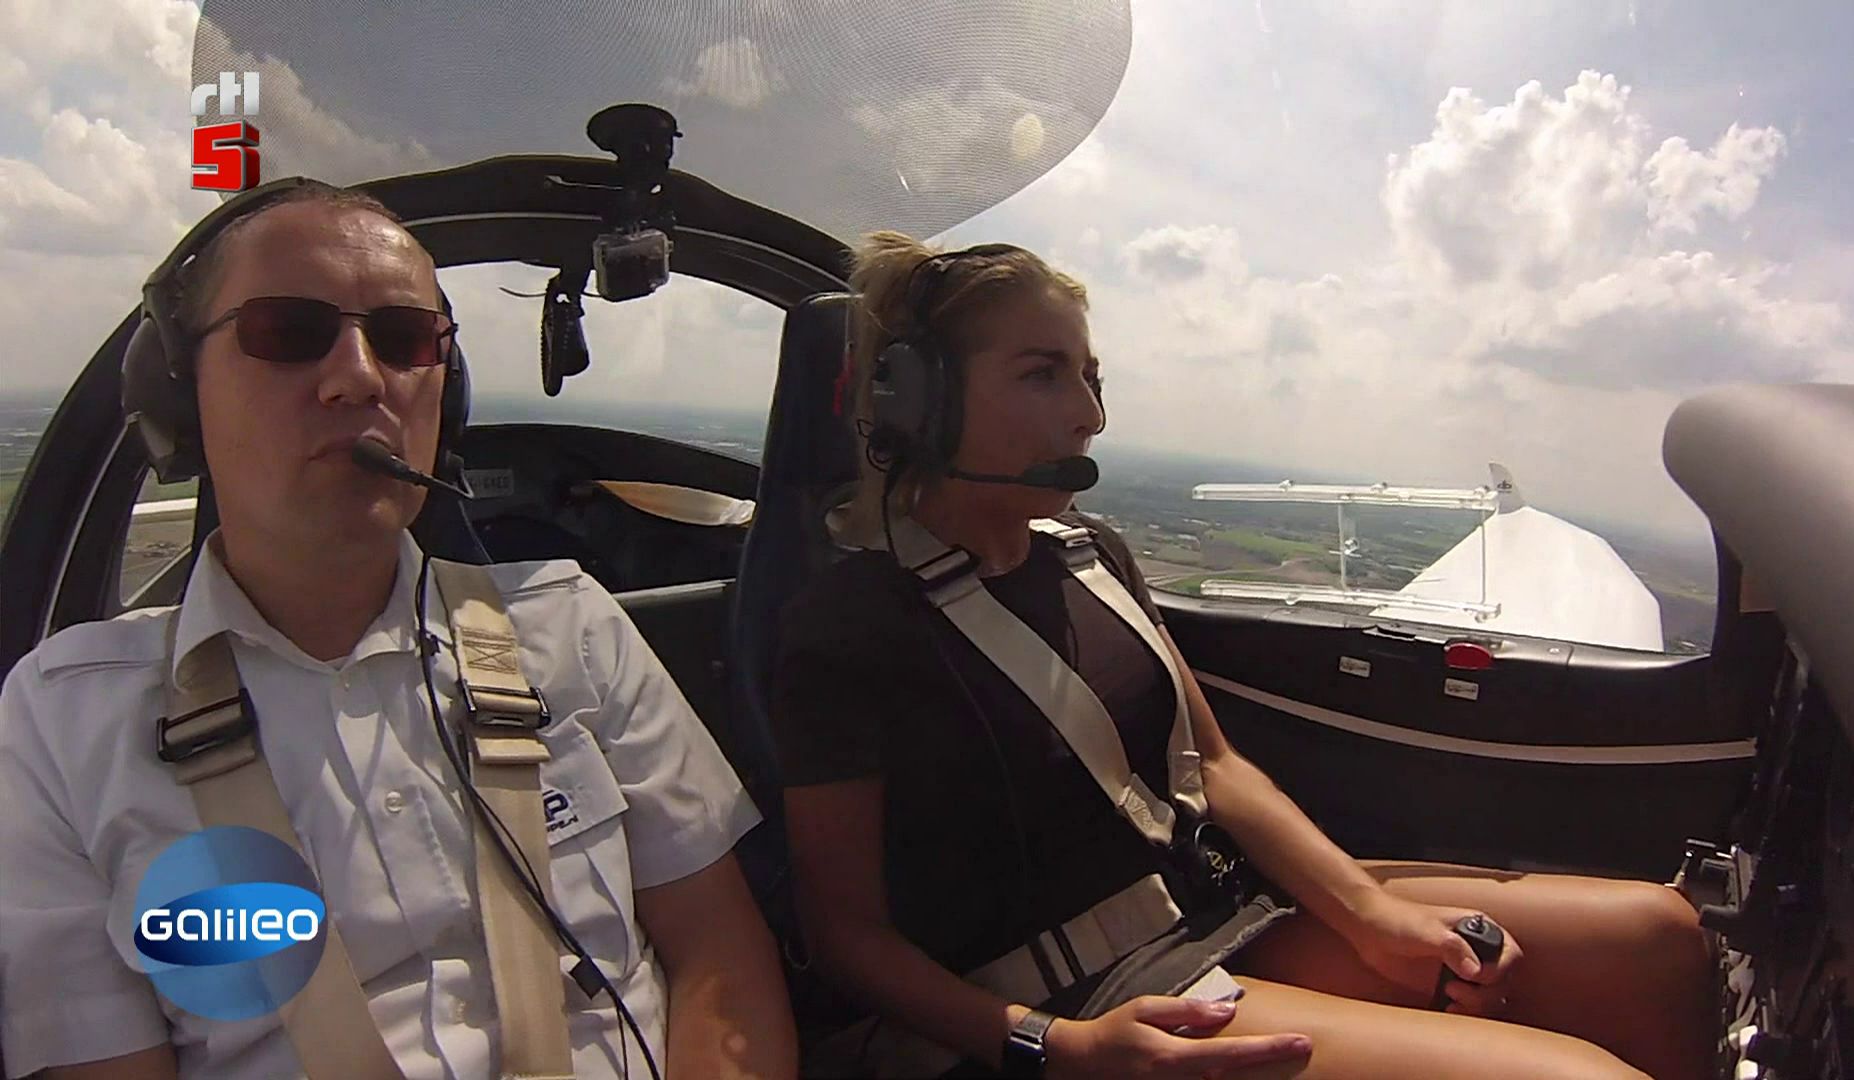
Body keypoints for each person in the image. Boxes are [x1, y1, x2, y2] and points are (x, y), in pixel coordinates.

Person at [769, 232, 1717, 1079]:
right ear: (919, 399)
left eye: (1092, 377)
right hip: (1084, 997)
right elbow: (844, 934)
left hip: (1220, 907)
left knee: (1660, 940)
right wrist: (1052, 1048)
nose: (1089, 415)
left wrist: (1368, 912)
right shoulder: (851, 625)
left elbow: (1215, 767)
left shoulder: (1092, 556)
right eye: (1043, 375)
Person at [0, 183, 797, 1080]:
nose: (360, 377)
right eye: (288, 332)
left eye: (405, 339)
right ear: (180, 399)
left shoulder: (570, 624)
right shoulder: (63, 724)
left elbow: (721, 960)